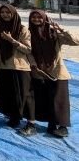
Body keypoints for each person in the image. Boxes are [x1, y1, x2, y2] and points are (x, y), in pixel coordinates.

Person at [28, 8, 77, 138]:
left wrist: (61, 30)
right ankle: (51, 123)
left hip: (57, 72)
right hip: (39, 72)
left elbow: (75, 41)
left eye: (39, 17)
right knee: (46, 98)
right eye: (34, 17)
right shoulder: (30, 33)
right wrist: (33, 64)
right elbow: (28, 52)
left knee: (60, 100)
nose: (36, 20)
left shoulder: (53, 33)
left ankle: (63, 126)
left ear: (45, 18)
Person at [0, 3, 35, 135]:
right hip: (3, 66)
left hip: (20, 66)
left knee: (25, 95)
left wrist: (12, 40)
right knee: (8, 94)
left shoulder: (22, 29)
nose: (4, 14)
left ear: (13, 14)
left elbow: (28, 49)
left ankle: (31, 122)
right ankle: (14, 117)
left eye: (7, 12)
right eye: (2, 12)